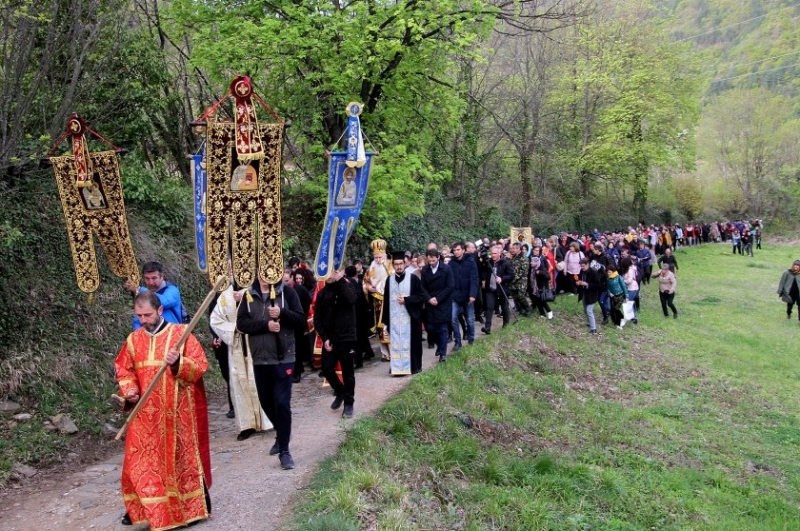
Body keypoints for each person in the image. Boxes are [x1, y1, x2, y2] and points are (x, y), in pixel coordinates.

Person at [115, 291, 211, 529]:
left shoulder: (181, 335)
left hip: (176, 414)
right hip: (144, 416)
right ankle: (146, 511)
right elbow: (124, 370)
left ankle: (185, 511)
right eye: (139, 316)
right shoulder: (133, 340)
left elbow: (200, 366)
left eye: (147, 314)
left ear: (159, 310)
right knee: (137, 463)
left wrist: (178, 362)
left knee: (177, 463)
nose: (143, 319)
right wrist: (130, 391)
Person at [237, 273, 305, 470]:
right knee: (266, 402)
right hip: (260, 360)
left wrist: (282, 313)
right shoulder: (249, 296)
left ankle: (285, 451)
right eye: (260, 272)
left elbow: (300, 320)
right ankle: (283, 430)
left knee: (282, 403)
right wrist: (266, 325)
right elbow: (242, 324)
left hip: (284, 357)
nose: (265, 276)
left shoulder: (288, 292)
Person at [210, 283, 273, 441]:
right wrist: (235, 328)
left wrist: (245, 299)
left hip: (257, 342)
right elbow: (215, 320)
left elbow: (267, 312)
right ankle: (247, 424)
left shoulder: (257, 291)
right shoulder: (225, 296)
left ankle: (268, 419)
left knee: (259, 380)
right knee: (239, 382)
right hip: (237, 344)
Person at [314, 268, 358, 418]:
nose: (330, 275)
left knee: (348, 373)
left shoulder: (347, 286)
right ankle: (340, 391)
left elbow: (352, 299)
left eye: (333, 272)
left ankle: (348, 403)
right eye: (328, 273)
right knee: (326, 369)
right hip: (330, 339)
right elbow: (317, 319)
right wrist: (325, 337)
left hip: (347, 337)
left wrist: (340, 281)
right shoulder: (322, 294)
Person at [384, 251, 427, 374]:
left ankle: (414, 367)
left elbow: (420, 296)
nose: (399, 266)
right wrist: (385, 321)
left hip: (410, 317)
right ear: (393, 265)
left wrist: (407, 300)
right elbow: (386, 301)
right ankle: (397, 367)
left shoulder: (412, 278)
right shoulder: (389, 280)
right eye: (396, 264)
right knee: (396, 342)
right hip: (394, 319)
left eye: (401, 264)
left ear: (405, 263)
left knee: (413, 343)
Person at [124, 262, 184, 330]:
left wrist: (139, 289)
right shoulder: (144, 293)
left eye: (154, 278)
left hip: (173, 334)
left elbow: (164, 301)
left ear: (162, 277)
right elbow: (138, 317)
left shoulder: (172, 290)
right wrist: (138, 334)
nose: (151, 282)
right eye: (147, 278)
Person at [420, 249, 454, 362]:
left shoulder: (446, 269)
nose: (431, 262)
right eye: (429, 261)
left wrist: (438, 298)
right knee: (431, 328)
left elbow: (450, 286)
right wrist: (429, 299)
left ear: (438, 258)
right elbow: (422, 287)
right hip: (430, 302)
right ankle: (439, 344)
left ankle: (443, 354)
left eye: (433, 260)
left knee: (443, 329)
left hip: (443, 302)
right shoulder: (425, 270)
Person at [364, 239, 392, 361]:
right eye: (376, 257)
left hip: (390, 300)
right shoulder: (371, 267)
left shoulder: (391, 265)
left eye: (380, 257)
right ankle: (385, 353)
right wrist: (369, 288)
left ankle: (394, 351)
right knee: (380, 327)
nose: (378, 259)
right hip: (377, 301)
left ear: (385, 255)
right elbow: (365, 281)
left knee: (389, 326)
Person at [449, 241, 479, 349]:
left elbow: (474, 279)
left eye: (458, 250)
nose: (456, 252)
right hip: (455, 296)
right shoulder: (451, 263)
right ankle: (458, 341)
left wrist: (472, 295)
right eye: (454, 250)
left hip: (468, 296)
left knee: (470, 319)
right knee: (452, 318)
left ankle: (471, 340)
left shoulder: (470, 262)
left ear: (463, 250)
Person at [481, 245, 514, 334]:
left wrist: (502, 278)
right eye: (492, 253)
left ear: (499, 254)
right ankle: (487, 327)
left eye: (495, 253)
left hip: (502, 288)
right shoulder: (489, 262)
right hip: (491, 289)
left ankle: (506, 325)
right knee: (489, 307)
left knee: (504, 307)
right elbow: (483, 270)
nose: (493, 255)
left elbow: (511, 275)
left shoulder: (505, 263)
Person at [576, 257, 604, 335]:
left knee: (589, 310)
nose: (582, 268)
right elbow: (579, 278)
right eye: (581, 266)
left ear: (587, 264)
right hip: (584, 293)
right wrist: (578, 282)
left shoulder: (594, 272)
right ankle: (589, 322)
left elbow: (598, 285)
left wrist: (587, 284)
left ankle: (593, 328)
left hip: (592, 294)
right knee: (585, 310)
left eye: (583, 266)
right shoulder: (582, 271)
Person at [527, 246, 553, 319]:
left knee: (542, 300)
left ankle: (549, 311)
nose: (531, 262)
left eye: (532, 261)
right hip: (533, 286)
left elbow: (547, 276)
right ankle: (542, 313)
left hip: (541, 286)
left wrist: (540, 273)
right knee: (537, 300)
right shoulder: (531, 267)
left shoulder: (540, 265)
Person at [509, 242, 531, 317]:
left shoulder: (524, 258)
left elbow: (523, 271)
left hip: (522, 281)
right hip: (513, 281)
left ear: (518, 249)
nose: (512, 250)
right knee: (515, 297)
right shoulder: (513, 257)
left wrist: (514, 278)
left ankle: (527, 309)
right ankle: (521, 310)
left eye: (514, 248)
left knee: (521, 296)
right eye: (512, 248)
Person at [606, 264, 629, 329]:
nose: (608, 273)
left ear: (613, 271)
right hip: (613, 296)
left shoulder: (619, 277)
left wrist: (626, 296)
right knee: (613, 309)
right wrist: (609, 293)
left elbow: (624, 286)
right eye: (607, 272)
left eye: (609, 272)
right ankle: (617, 320)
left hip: (620, 295)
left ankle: (620, 322)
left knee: (616, 308)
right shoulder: (608, 279)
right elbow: (607, 288)